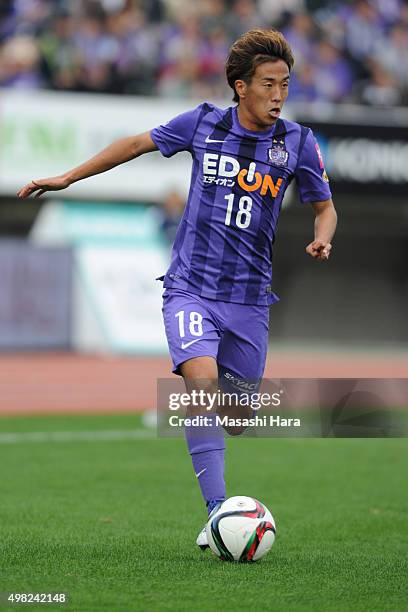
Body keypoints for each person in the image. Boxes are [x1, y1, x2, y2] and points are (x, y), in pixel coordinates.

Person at [18, 29, 337, 551]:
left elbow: (324, 206)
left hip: (251, 300)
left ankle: (220, 499)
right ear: (240, 86)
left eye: (285, 85)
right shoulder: (204, 123)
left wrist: (323, 238)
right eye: (268, 84)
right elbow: (135, 144)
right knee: (201, 387)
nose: (279, 95)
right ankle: (216, 513)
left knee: (237, 417)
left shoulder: (298, 143)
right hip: (191, 288)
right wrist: (68, 177)